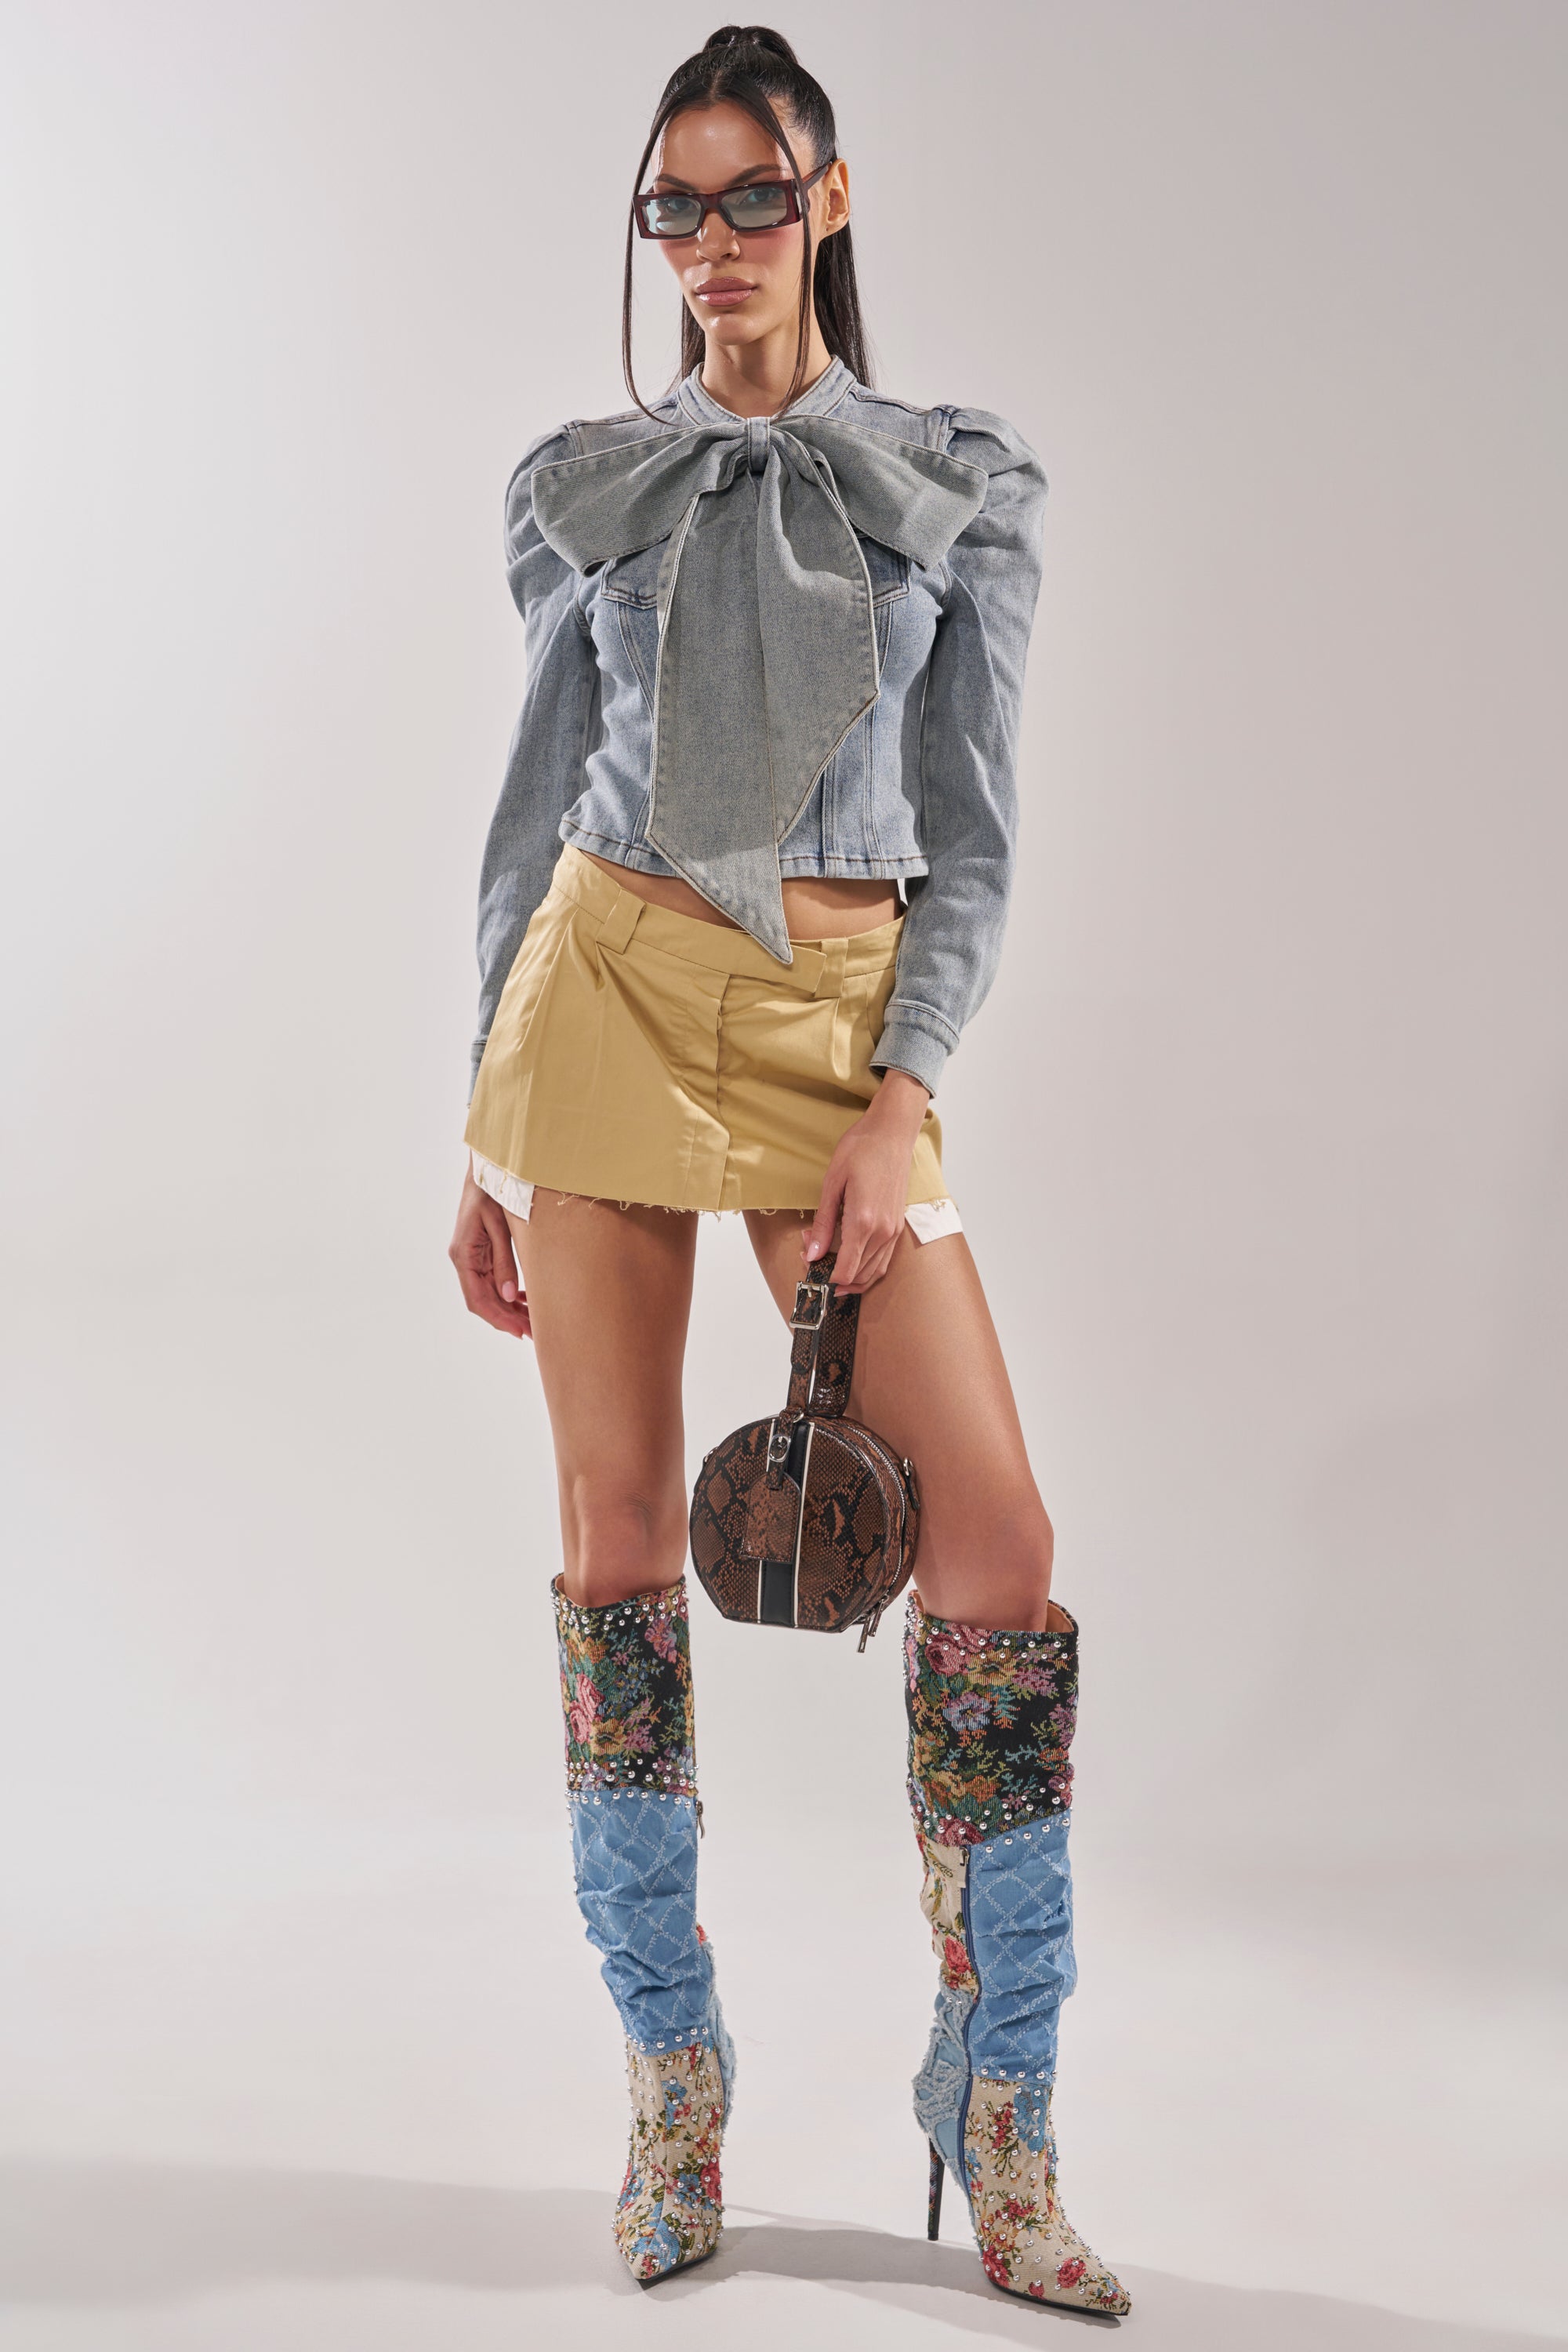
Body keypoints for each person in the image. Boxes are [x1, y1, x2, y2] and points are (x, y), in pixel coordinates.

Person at [448, 24, 1129, 2315]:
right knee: (619, 1547)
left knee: (1000, 1553)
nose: (714, 247)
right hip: (605, 1004)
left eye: (755, 200)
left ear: (829, 204)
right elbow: (530, 809)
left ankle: (1001, 2109)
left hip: (838, 1034)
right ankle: (673, 2092)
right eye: (679, 209)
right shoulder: (588, 483)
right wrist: (481, 1113)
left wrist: (903, 1091)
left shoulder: (952, 478)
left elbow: (983, 838)